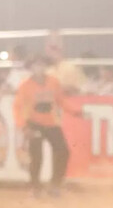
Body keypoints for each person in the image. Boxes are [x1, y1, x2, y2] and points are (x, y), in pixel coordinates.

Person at [13, 55, 80, 196]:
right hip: (33, 123)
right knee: (36, 156)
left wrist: (75, 111)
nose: (39, 67)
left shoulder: (53, 82)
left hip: (51, 122)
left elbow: (60, 100)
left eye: (42, 64)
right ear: (30, 68)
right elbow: (17, 107)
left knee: (63, 151)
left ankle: (55, 184)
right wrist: (23, 126)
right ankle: (35, 186)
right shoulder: (25, 85)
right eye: (36, 65)